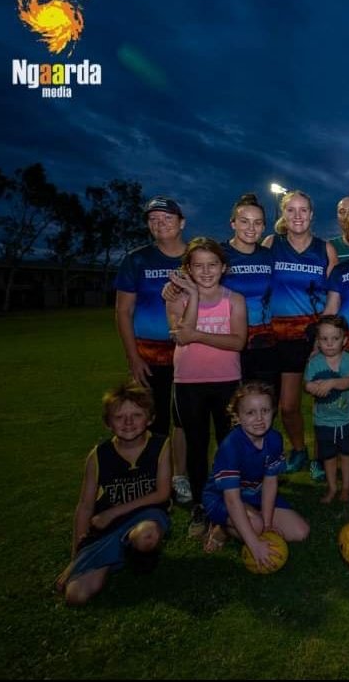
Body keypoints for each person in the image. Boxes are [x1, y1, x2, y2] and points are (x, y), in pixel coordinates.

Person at [54, 381, 171, 606]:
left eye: (136, 415)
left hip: (147, 516)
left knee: (147, 536)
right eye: (119, 417)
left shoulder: (160, 445)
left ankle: (131, 549)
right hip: (107, 527)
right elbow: (85, 506)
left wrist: (113, 512)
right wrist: (77, 557)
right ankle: (111, 556)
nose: (128, 422)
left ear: (150, 419)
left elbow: (162, 494)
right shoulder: (98, 456)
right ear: (108, 423)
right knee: (76, 596)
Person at [165, 237, 247, 538]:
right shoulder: (175, 297)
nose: (206, 271)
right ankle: (201, 504)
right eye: (198, 266)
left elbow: (238, 341)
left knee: (228, 446)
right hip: (189, 382)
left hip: (226, 381)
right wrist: (193, 297)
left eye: (212, 264)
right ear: (188, 268)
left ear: (223, 267)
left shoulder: (233, 299)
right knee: (197, 447)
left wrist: (197, 334)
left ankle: (227, 504)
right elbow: (181, 336)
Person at [114, 196, 189, 503]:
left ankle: (180, 476)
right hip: (149, 353)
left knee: (183, 417)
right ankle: (153, 477)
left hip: (188, 350)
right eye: (153, 219)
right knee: (152, 418)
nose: (160, 224)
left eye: (167, 218)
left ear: (181, 223)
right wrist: (133, 357)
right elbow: (123, 312)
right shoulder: (137, 259)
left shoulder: (196, 257)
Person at [262, 189, 338, 481]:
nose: (297, 216)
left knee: (323, 403)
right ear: (283, 214)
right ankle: (298, 449)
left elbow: (334, 295)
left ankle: (321, 456)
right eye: (291, 210)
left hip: (314, 335)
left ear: (312, 214)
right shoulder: (272, 244)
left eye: (303, 210)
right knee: (288, 405)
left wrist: (325, 337)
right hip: (278, 335)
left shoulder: (325, 249)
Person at [202, 381, 310, 560]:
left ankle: (255, 520)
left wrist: (268, 524)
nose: (259, 418)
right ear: (237, 416)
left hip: (254, 494)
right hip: (222, 497)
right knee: (255, 526)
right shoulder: (231, 446)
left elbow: (269, 482)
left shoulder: (274, 439)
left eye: (265, 411)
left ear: (273, 411)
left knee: (300, 532)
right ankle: (222, 529)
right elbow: (232, 500)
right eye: (250, 412)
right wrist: (255, 545)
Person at [221, 194, 277, 392]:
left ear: (263, 227)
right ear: (233, 223)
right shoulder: (219, 254)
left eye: (257, 223)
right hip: (229, 344)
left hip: (265, 344)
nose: (251, 228)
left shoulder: (268, 256)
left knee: (266, 403)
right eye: (244, 221)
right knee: (233, 407)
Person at [304, 315, 349, 504]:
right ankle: (332, 488)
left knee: (347, 454)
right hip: (324, 420)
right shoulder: (315, 362)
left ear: (344, 340)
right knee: (328, 456)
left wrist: (332, 383)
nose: (329, 344)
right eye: (324, 339)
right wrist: (313, 387)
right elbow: (307, 384)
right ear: (318, 341)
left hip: (348, 418)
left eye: (335, 339)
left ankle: (346, 487)